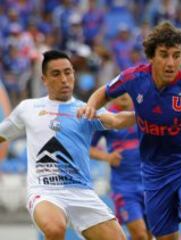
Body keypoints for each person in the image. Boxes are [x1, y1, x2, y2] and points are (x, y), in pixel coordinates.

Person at [77, 21, 181, 240]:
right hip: (154, 175)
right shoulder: (134, 78)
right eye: (164, 55)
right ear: (152, 56)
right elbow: (104, 92)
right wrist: (90, 106)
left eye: (177, 55)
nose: (171, 63)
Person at [0, 50, 127, 240]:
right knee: (54, 228)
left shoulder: (86, 110)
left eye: (68, 72)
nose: (64, 79)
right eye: (56, 74)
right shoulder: (28, 109)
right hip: (44, 191)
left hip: (82, 192)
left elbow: (117, 120)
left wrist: (148, 115)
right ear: (44, 79)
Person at [90, 94, 152, 240]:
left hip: (149, 183)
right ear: (111, 95)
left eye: (126, 91)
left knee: (149, 235)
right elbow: (87, 148)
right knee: (140, 234)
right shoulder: (105, 117)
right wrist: (108, 157)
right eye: (118, 92)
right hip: (124, 187)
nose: (123, 95)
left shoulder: (143, 113)